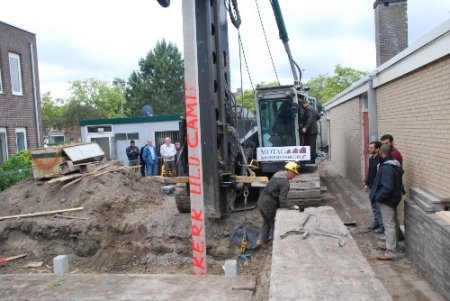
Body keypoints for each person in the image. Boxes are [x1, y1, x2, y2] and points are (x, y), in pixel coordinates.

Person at [369, 144, 404, 261]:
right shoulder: (392, 164)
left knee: (389, 225)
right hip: (393, 199)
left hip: (387, 201)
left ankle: (391, 252)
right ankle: (394, 247)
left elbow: (387, 187)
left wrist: (378, 197)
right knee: (393, 223)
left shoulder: (387, 168)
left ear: (381, 152)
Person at [257, 161, 299, 249]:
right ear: (290, 171)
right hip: (268, 204)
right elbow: (282, 200)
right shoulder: (285, 183)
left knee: (266, 221)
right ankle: (275, 246)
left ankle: (261, 240)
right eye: (294, 174)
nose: (294, 176)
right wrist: (293, 206)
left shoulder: (277, 174)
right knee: (274, 223)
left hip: (261, 200)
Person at [380, 133, 404, 240]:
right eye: (383, 144)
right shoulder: (390, 155)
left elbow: (392, 175)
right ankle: (396, 237)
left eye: (387, 143)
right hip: (391, 189)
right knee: (392, 217)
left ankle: (394, 239)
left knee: (391, 218)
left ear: (392, 142)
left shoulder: (394, 155)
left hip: (392, 190)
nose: (385, 146)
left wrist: (378, 196)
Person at [364, 141, 384, 233]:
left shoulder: (380, 160)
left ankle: (381, 226)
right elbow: (370, 172)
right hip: (371, 186)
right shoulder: (371, 158)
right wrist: (366, 184)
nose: (369, 149)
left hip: (378, 187)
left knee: (378, 206)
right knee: (374, 206)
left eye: (371, 148)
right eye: (369, 147)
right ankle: (376, 222)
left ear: (377, 149)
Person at [299, 97, 319, 163]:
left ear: (303, 104)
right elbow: (318, 116)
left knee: (310, 145)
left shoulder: (308, 109)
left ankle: (312, 160)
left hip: (310, 131)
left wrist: (305, 127)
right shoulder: (313, 108)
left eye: (301, 106)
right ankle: (312, 158)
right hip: (314, 130)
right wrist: (314, 122)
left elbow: (309, 119)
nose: (302, 108)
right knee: (312, 144)